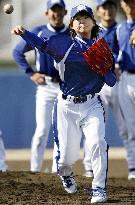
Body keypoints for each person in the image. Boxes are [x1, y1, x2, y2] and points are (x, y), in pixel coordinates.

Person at [11, 4, 117, 203]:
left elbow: (111, 81)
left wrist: (105, 69)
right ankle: (66, 173)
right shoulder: (65, 45)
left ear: (93, 23)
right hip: (66, 107)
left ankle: (99, 188)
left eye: (86, 17)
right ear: (72, 24)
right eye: (78, 18)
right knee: (65, 159)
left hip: (92, 104)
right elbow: (42, 45)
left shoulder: (102, 48)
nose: (82, 21)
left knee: (97, 143)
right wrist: (25, 33)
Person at [12, 0, 68, 172]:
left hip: (66, 88)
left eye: (59, 10)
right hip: (46, 86)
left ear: (65, 12)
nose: (56, 13)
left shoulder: (72, 34)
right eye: (53, 10)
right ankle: (35, 171)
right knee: (42, 130)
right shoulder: (39, 32)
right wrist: (31, 73)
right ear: (47, 13)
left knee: (62, 131)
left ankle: (56, 171)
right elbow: (17, 52)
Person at [83, 0, 127, 178]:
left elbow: (125, 53)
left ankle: (132, 168)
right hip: (97, 84)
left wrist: (117, 63)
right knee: (94, 128)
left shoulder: (123, 29)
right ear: (98, 11)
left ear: (115, 9)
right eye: (104, 7)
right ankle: (88, 168)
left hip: (118, 81)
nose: (108, 10)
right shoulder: (93, 31)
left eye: (111, 6)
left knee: (127, 128)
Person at [116, 0, 135, 180]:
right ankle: (133, 168)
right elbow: (118, 53)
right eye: (126, 1)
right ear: (122, 4)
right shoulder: (120, 28)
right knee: (130, 127)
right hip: (126, 78)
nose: (129, 4)